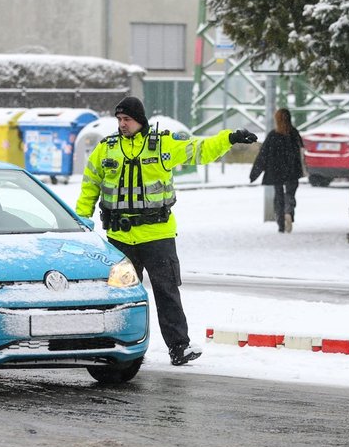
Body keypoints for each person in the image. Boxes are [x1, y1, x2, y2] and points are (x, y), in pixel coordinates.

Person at [76, 96, 257, 366]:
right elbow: (89, 186)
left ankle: (179, 347)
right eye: (119, 120)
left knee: (167, 293)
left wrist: (229, 137)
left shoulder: (163, 144)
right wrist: (81, 222)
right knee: (120, 298)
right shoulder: (106, 149)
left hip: (157, 236)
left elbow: (200, 149)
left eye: (127, 119)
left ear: (140, 120)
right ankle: (120, 346)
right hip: (119, 238)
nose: (122, 124)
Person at [249, 108, 305, 233]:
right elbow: (301, 151)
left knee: (278, 197)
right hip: (292, 170)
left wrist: (254, 173)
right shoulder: (294, 133)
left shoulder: (273, 135)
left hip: (276, 171)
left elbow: (263, 155)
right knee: (290, 194)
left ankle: (281, 224)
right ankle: (288, 211)